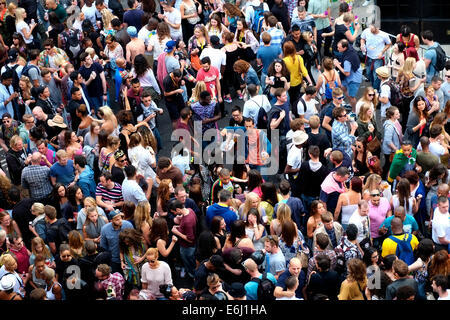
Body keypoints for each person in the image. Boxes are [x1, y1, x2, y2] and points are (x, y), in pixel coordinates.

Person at [360, 24, 391, 92]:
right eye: (371, 29)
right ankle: (374, 86)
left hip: (378, 58)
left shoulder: (384, 35)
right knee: (368, 73)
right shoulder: (366, 31)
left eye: (373, 30)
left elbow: (389, 43)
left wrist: (382, 52)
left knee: (376, 75)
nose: (371, 31)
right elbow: (362, 38)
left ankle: (375, 90)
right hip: (369, 56)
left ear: (378, 28)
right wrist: (362, 44)